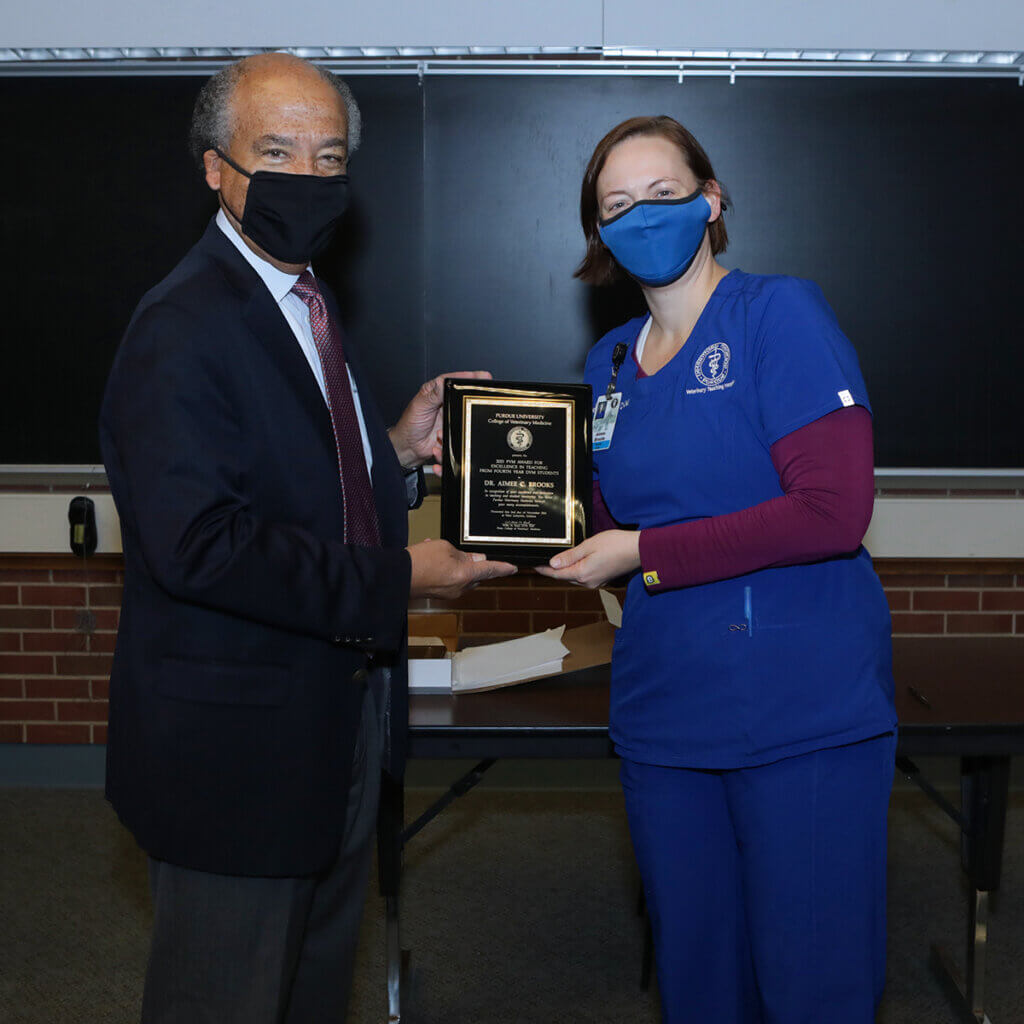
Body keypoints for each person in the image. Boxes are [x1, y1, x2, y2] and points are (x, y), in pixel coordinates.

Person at [99, 53, 515, 1024]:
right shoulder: (183, 325)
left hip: (330, 732)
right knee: (226, 999)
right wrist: (399, 577)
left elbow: (293, 476)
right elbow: (202, 543)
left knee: (309, 994)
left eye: (328, 159)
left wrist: (396, 457)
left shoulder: (306, 302)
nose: (306, 178)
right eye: (275, 151)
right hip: (234, 758)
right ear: (214, 168)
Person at [537, 116, 897, 1022]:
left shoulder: (782, 315)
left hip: (799, 710)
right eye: (617, 204)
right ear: (599, 233)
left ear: (711, 198)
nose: (642, 216)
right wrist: (505, 495)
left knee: (813, 981)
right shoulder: (609, 362)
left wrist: (644, 552)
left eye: (663, 194)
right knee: (698, 980)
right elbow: (611, 524)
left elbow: (831, 512)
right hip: (664, 714)